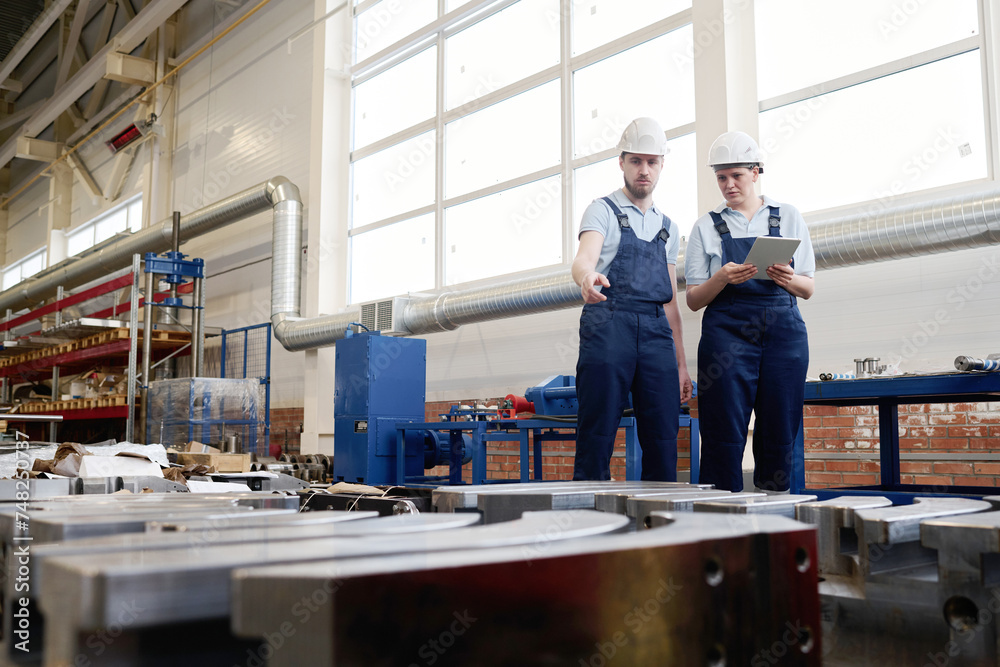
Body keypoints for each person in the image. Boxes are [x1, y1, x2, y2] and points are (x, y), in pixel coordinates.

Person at [684, 130, 815, 493]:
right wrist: (722, 278)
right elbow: (694, 299)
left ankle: (774, 518)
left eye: (736, 175)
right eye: (721, 177)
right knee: (722, 429)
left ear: (756, 172)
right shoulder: (705, 226)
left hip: (783, 331)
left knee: (779, 426)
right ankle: (720, 518)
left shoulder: (787, 216)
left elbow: (808, 288)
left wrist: (787, 278)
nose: (728, 184)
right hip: (726, 335)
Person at [571, 117, 693, 482]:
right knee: (598, 430)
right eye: (636, 161)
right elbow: (584, 258)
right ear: (621, 162)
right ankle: (588, 524)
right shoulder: (602, 210)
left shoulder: (668, 228)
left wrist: (682, 364)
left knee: (663, 434)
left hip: (656, 332)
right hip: (608, 323)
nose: (644, 170)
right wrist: (586, 278)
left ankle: (659, 524)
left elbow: (670, 301)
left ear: (661, 166)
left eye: (652, 162)